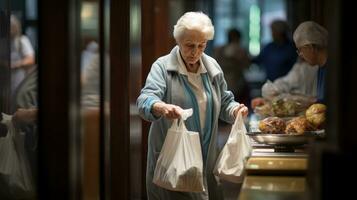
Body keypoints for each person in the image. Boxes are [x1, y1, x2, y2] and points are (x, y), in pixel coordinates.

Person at [137, 12, 248, 200]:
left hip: (206, 160)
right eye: (190, 46)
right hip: (173, 162)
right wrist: (161, 107)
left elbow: (225, 102)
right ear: (178, 41)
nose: (195, 52)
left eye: (201, 46)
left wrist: (236, 110)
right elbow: (145, 100)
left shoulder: (212, 67)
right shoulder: (163, 67)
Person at [251, 21, 328, 108]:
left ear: (311, 47)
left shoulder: (330, 69)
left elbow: (326, 103)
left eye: (300, 50)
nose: (300, 55)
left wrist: (306, 100)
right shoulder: (320, 67)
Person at [214, 28, 250, 106]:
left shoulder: (241, 51)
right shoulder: (220, 50)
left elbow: (247, 66)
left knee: (238, 108)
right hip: (225, 84)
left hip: (237, 85)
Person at [10, 14, 35, 96]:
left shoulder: (22, 40)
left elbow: (30, 60)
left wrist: (14, 65)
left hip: (19, 80)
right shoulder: (3, 42)